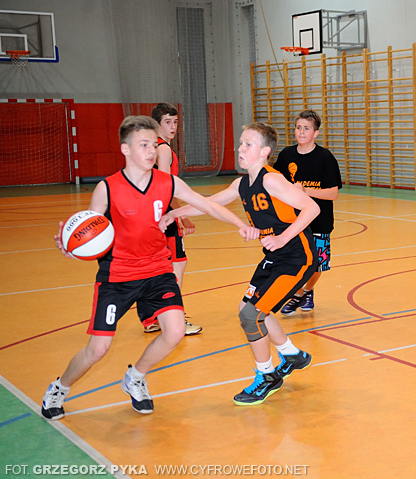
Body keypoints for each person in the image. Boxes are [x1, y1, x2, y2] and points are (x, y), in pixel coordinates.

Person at [41, 116, 259, 421]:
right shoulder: (107, 188)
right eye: (143, 145)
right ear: (125, 149)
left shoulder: (167, 182)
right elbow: (90, 230)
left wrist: (240, 223)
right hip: (118, 276)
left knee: (175, 331)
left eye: (153, 145)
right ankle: (59, 388)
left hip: (158, 269)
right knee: (98, 349)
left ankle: (136, 377)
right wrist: (71, 244)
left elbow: (208, 204)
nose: (151, 151)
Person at [163, 122, 319, 405]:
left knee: (251, 315)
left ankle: (267, 376)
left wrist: (282, 237)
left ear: (265, 152)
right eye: (240, 143)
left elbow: (312, 208)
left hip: (297, 257)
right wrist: (174, 214)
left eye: (248, 144)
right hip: (274, 257)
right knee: (248, 308)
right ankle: (292, 354)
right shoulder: (242, 184)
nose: (240, 148)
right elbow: (209, 203)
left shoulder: (272, 180)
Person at [273, 109, 342, 315]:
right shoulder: (286, 155)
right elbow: (275, 183)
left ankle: (308, 291)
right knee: (295, 262)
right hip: (292, 220)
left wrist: (305, 191)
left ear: (316, 133)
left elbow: (333, 193)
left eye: (307, 128)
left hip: (319, 221)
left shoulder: (325, 157)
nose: (301, 132)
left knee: (318, 265)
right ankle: (296, 295)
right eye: (298, 127)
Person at [144, 102, 202, 335]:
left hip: (151, 215)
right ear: (156, 124)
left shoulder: (150, 147)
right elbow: (165, 188)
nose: (173, 126)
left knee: (158, 267)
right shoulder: (164, 149)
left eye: (176, 122)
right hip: (164, 216)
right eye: (167, 122)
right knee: (176, 265)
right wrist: (183, 215)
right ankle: (174, 319)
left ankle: (153, 318)